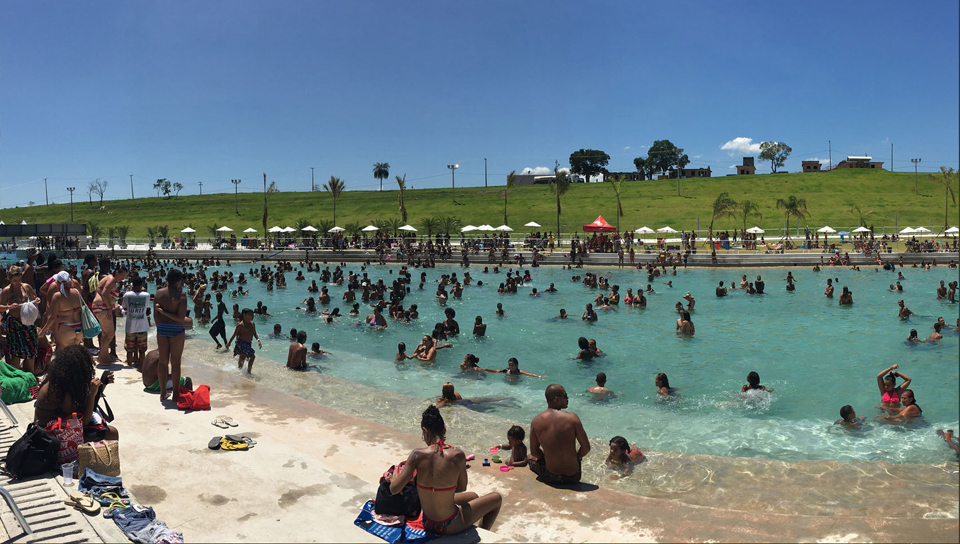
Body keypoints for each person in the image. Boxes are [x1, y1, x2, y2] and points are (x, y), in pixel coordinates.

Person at [389, 406, 502, 534]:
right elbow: (461, 487)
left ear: (424, 430)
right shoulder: (457, 455)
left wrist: (394, 478)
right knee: (496, 498)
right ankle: (483, 533)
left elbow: (394, 489)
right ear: (444, 429)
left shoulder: (416, 455)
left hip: (427, 521)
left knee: (474, 496)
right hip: (449, 525)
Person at [34, 344, 118, 440]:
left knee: (107, 429)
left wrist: (101, 385)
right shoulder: (57, 391)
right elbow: (82, 423)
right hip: (48, 438)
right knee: (112, 434)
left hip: (55, 432)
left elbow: (82, 409)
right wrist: (91, 395)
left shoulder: (60, 383)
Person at [529, 384, 590, 485]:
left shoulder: (536, 421)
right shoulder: (572, 418)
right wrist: (577, 457)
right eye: (565, 396)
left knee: (529, 457)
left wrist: (547, 458)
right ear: (556, 399)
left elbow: (535, 452)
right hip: (574, 476)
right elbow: (586, 448)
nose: (567, 398)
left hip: (551, 476)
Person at [155, 268, 188, 402]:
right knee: (176, 363)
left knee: (163, 362)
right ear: (179, 281)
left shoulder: (159, 293)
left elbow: (155, 316)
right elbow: (181, 319)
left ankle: (163, 393)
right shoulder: (182, 295)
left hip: (162, 329)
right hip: (176, 330)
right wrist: (165, 314)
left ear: (167, 279)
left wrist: (162, 315)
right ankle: (175, 394)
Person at [0, 265, 41, 373]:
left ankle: (30, 374)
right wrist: (9, 307)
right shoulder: (6, 291)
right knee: (15, 351)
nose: (17, 282)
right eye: (15, 280)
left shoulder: (26, 287)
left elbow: (35, 298)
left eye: (19, 279)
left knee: (31, 349)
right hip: (14, 324)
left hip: (28, 322)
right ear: (9, 279)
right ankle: (17, 375)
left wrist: (37, 300)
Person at [40, 271, 85, 352]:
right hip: (79, 328)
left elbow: (52, 317)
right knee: (74, 353)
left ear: (57, 282)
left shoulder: (57, 296)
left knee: (60, 353)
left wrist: (43, 330)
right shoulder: (76, 292)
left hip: (66, 328)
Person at [121, 275, 150, 367]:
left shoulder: (127, 295)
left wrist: (122, 310)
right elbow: (147, 308)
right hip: (142, 327)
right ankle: (141, 368)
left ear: (132, 285)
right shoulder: (146, 295)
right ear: (142, 285)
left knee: (129, 351)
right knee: (142, 351)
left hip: (130, 328)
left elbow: (124, 308)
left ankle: (129, 366)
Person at [227, 308, 261, 373]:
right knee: (252, 356)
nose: (252, 316)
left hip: (248, 343)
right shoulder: (240, 325)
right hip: (241, 342)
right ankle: (248, 372)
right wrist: (229, 343)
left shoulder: (252, 324)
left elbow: (254, 333)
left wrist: (258, 340)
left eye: (252, 315)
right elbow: (234, 334)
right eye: (250, 315)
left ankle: (239, 370)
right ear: (244, 315)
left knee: (243, 356)